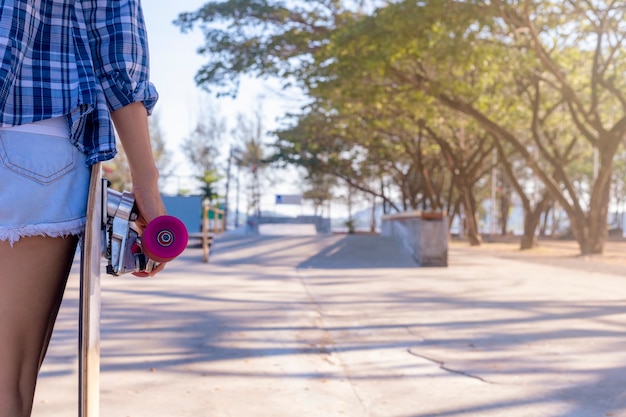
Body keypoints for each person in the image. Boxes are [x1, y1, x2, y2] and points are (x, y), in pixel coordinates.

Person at [0, 1, 167, 416]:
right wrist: (145, 184)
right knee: (6, 382)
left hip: (32, 148)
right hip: (36, 145)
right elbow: (115, 51)